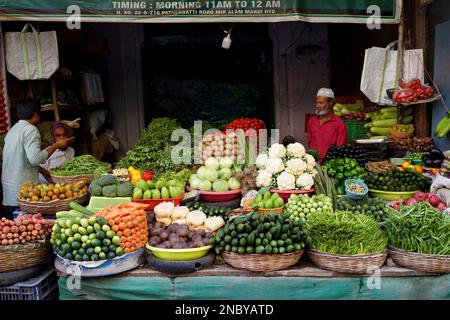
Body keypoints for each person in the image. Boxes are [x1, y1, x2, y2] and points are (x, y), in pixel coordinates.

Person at [1, 98, 73, 219]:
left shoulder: (13, 130)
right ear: (35, 113)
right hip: (23, 196)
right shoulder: (31, 129)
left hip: (10, 195)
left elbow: (21, 158)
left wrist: (42, 171)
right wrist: (56, 145)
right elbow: (35, 159)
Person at [307, 88, 348, 162]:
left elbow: (340, 150)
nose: (317, 105)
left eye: (321, 103)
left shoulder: (339, 124)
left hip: (329, 166)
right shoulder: (312, 121)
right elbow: (310, 142)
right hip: (313, 164)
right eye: (316, 102)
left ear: (330, 103)